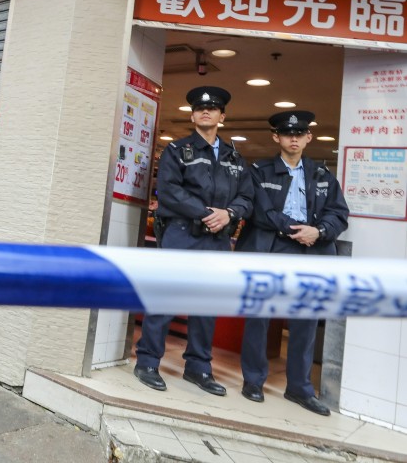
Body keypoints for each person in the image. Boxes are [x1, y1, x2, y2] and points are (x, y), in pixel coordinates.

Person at [134, 86, 254, 395]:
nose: (206, 111)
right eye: (201, 108)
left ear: (221, 116)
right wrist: (206, 213)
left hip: (216, 240)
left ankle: (199, 368)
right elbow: (170, 191)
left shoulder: (235, 158)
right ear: (192, 115)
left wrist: (228, 213)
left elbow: (247, 198)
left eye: (213, 108)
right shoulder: (177, 151)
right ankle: (147, 362)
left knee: (206, 306)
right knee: (165, 299)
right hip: (182, 234)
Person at [236, 111, 349, 416]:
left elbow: (339, 213)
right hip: (271, 247)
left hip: (312, 251)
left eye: (300, 133)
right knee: (259, 316)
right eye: (288, 134)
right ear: (277, 137)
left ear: (309, 138)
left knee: (306, 319)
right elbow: (259, 211)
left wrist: (320, 231)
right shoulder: (260, 170)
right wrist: (293, 229)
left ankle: (299, 388)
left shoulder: (323, 174)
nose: (294, 138)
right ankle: (254, 381)